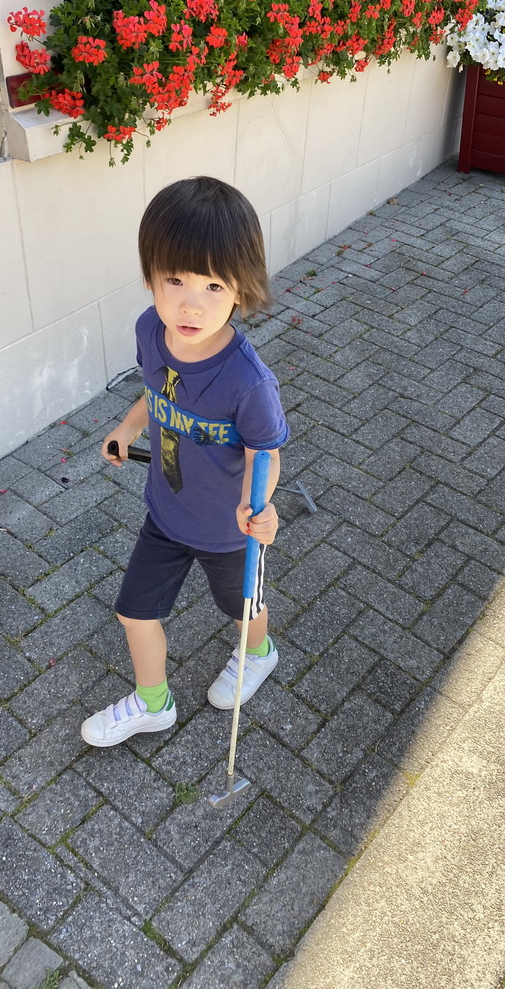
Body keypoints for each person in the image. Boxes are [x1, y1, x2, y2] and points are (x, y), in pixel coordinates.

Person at [81, 176, 289, 747]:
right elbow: (156, 391)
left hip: (227, 530)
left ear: (241, 291)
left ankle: (260, 652)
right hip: (167, 514)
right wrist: (127, 428)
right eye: (174, 279)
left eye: (214, 285)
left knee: (243, 609)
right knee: (133, 611)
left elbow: (264, 452)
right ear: (150, 275)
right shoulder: (152, 330)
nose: (189, 304)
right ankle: (154, 703)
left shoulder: (248, 382)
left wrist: (260, 506)